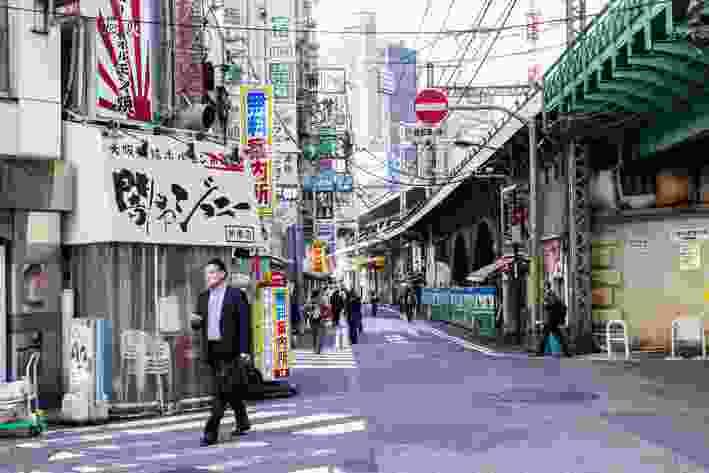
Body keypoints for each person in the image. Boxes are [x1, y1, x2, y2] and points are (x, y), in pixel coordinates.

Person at [191, 258, 251, 447]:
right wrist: (194, 322)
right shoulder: (202, 297)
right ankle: (242, 421)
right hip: (211, 350)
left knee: (220, 393)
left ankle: (211, 432)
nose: (208, 277)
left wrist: (244, 350)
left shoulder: (236, 295)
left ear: (223, 274)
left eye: (212, 272)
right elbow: (197, 324)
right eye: (206, 273)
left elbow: (244, 324)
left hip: (230, 351)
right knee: (228, 389)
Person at [535, 290, 572, 357]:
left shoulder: (553, 301)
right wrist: (561, 320)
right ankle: (567, 352)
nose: (546, 297)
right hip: (555, 322)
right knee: (560, 338)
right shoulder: (558, 301)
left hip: (551, 321)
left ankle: (540, 352)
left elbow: (549, 308)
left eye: (547, 295)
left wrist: (545, 304)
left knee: (544, 336)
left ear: (551, 295)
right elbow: (563, 309)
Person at [305, 290, 323, 354]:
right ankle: (318, 349)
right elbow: (325, 309)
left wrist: (309, 313)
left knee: (314, 335)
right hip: (319, 319)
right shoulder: (321, 301)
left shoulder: (309, 301)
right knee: (319, 335)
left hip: (312, 319)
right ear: (317, 294)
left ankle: (315, 348)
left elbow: (306, 309)